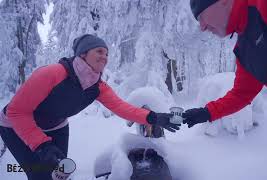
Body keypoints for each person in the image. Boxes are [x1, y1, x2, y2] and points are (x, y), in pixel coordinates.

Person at [0, 34, 180, 180]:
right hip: (16, 125)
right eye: (99, 51)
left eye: (107, 53)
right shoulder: (52, 74)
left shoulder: (97, 87)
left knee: (61, 171)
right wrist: (41, 145)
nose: (104, 57)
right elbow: (17, 111)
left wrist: (154, 117)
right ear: (83, 54)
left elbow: (123, 108)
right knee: (40, 173)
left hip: (56, 126)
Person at [183, 0, 267, 179]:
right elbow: (241, 94)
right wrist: (206, 113)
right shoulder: (246, 47)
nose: (201, 27)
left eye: (201, 16)